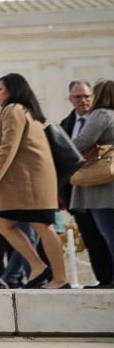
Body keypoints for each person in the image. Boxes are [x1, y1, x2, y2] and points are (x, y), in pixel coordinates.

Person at [0, 73, 68, 289]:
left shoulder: (14, 110)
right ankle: (39, 268)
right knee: (7, 223)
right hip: (31, 184)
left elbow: (8, 146)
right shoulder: (26, 112)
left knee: (40, 227)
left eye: (0, 90)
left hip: (29, 186)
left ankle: (58, 278)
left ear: (13, 89)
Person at [62, 81, 113, 288]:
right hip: (99, 185)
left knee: (108, 233)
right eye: (78, 97)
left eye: (88, 96)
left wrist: (62, 148)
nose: (84, 100)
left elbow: (82, 141)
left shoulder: (101, 115)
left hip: (102, 187)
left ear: (97, 96)